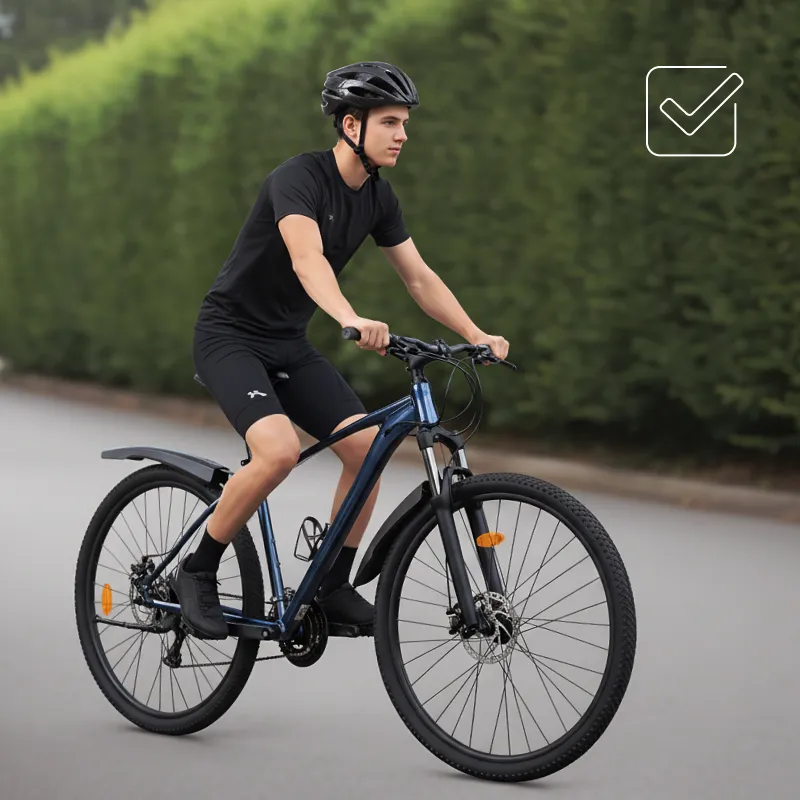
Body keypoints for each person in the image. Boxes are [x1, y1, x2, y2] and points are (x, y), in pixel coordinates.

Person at [172, 61, 510, 639]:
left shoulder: (378, 197)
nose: (402, 134)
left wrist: (475, 333)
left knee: (367, 449)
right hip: (229, 336)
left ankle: (330, 586)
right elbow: (307, 259)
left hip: (287, 343)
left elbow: (418, 278)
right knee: (278, 452)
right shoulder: (298, 179)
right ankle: (196, 570)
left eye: (404, 123)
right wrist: (350, 317)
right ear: (351, 125)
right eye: (389, 122)